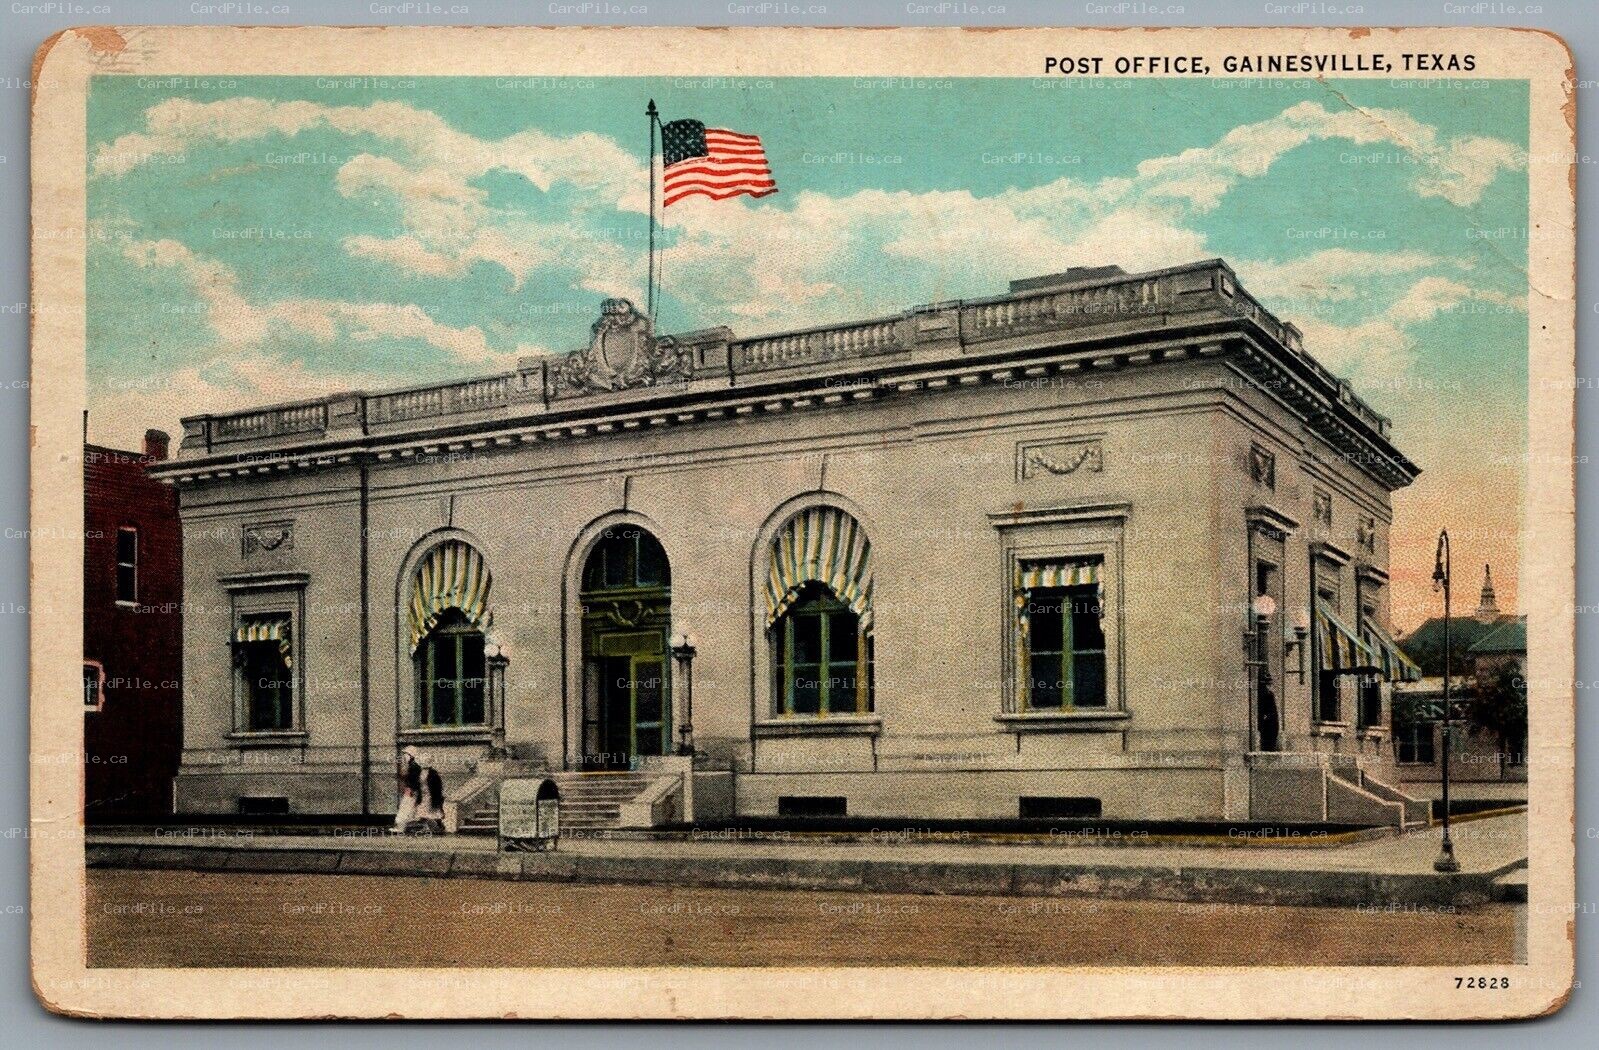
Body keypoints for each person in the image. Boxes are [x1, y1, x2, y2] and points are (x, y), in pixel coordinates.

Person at [393, 745, 421, 833]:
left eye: (406, 754)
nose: (404, 756)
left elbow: (414, 780)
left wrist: (410, 789)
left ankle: (400, 828)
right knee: (410, 809)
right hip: (412, 790)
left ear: (411, 755)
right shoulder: (413, 765)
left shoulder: (413, 766)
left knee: (405, 808)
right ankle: (406, 827)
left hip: (411, 790)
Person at [416, 754, 446, 835]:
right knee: (422, 812)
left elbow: (438, 786)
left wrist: (438, 795)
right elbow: (418, 783)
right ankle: (426, 827)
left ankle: (439, 826)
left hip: (431, 795)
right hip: (423, 794)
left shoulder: (433, 773)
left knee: (433, 812)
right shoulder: (420, 772)